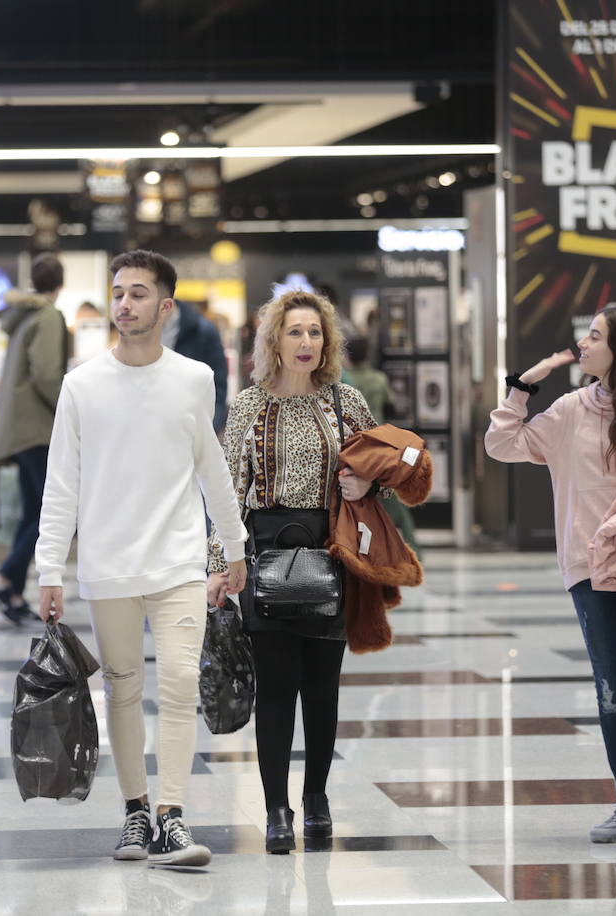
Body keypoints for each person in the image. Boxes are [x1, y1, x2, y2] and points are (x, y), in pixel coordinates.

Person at [35, 248, 247, 868]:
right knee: (123, 690)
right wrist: (51, 568)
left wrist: (231, 545)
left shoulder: (193, 378)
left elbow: (212, 467)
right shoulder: (81, 385)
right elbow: (61, 483)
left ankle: (173, 817)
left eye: (137, 293)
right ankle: (135, 812)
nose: (124, 304)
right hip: (109, 563)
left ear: (165, 305)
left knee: (180, 683)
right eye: (118, 292)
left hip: (178, 558)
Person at [485, 306, 616, 846]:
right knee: (609, 688)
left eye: (595, 335)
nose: (582, 342)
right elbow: (503, 445)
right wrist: (520, 388)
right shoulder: (568, 410)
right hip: (586, 567)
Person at [207, 290, 380, 854]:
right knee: (277, 690)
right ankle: (276, 806)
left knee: (323, 691)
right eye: (295, 332)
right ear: (273, 341)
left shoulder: (344, 401)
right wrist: (218, 564)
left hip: (330, 553)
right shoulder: (250, 406)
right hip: (265, 553)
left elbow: (385, 461)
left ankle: (318, 799)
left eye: (315, 332)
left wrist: (367, 483)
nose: (306, 343)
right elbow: (227, 489)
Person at [0, 254, 71, 624]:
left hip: (19, 427)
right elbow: (47, 373)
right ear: (61, 283)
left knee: (34, 510)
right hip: (38, 427)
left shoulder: (22, 318)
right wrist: (68, 409)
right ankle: (3, 576)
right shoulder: (49, 317)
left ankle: (12, 589)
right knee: (52, 512)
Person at [343, 334, 420, 557]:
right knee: (395, 501)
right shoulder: (379, 379)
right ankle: (414, 546)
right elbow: (391, 406)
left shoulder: (345, 380)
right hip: (379, 443)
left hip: (354, 445)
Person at [164, 289, 229, 433]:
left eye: (139, 295)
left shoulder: (203, 331)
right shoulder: (140, 333)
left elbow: (218, 384)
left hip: (194, 432)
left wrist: (211, 429)